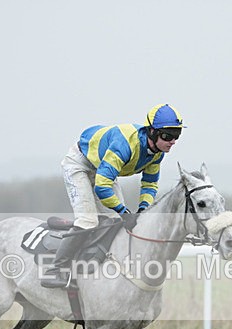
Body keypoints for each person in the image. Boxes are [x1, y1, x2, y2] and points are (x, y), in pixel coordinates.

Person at [41, 103, 185, 288]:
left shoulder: (157, 154)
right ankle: (55, 270)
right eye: (167, 135)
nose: (172, 141)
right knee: (88, 221)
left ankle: (100, 266)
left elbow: (149, 184)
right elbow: (102, 187)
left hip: (104, 171)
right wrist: (124, 211)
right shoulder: (124, 145)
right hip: (80, 164)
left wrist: (142, 209)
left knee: (114, 222)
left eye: (177, 136)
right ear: (151, 132)